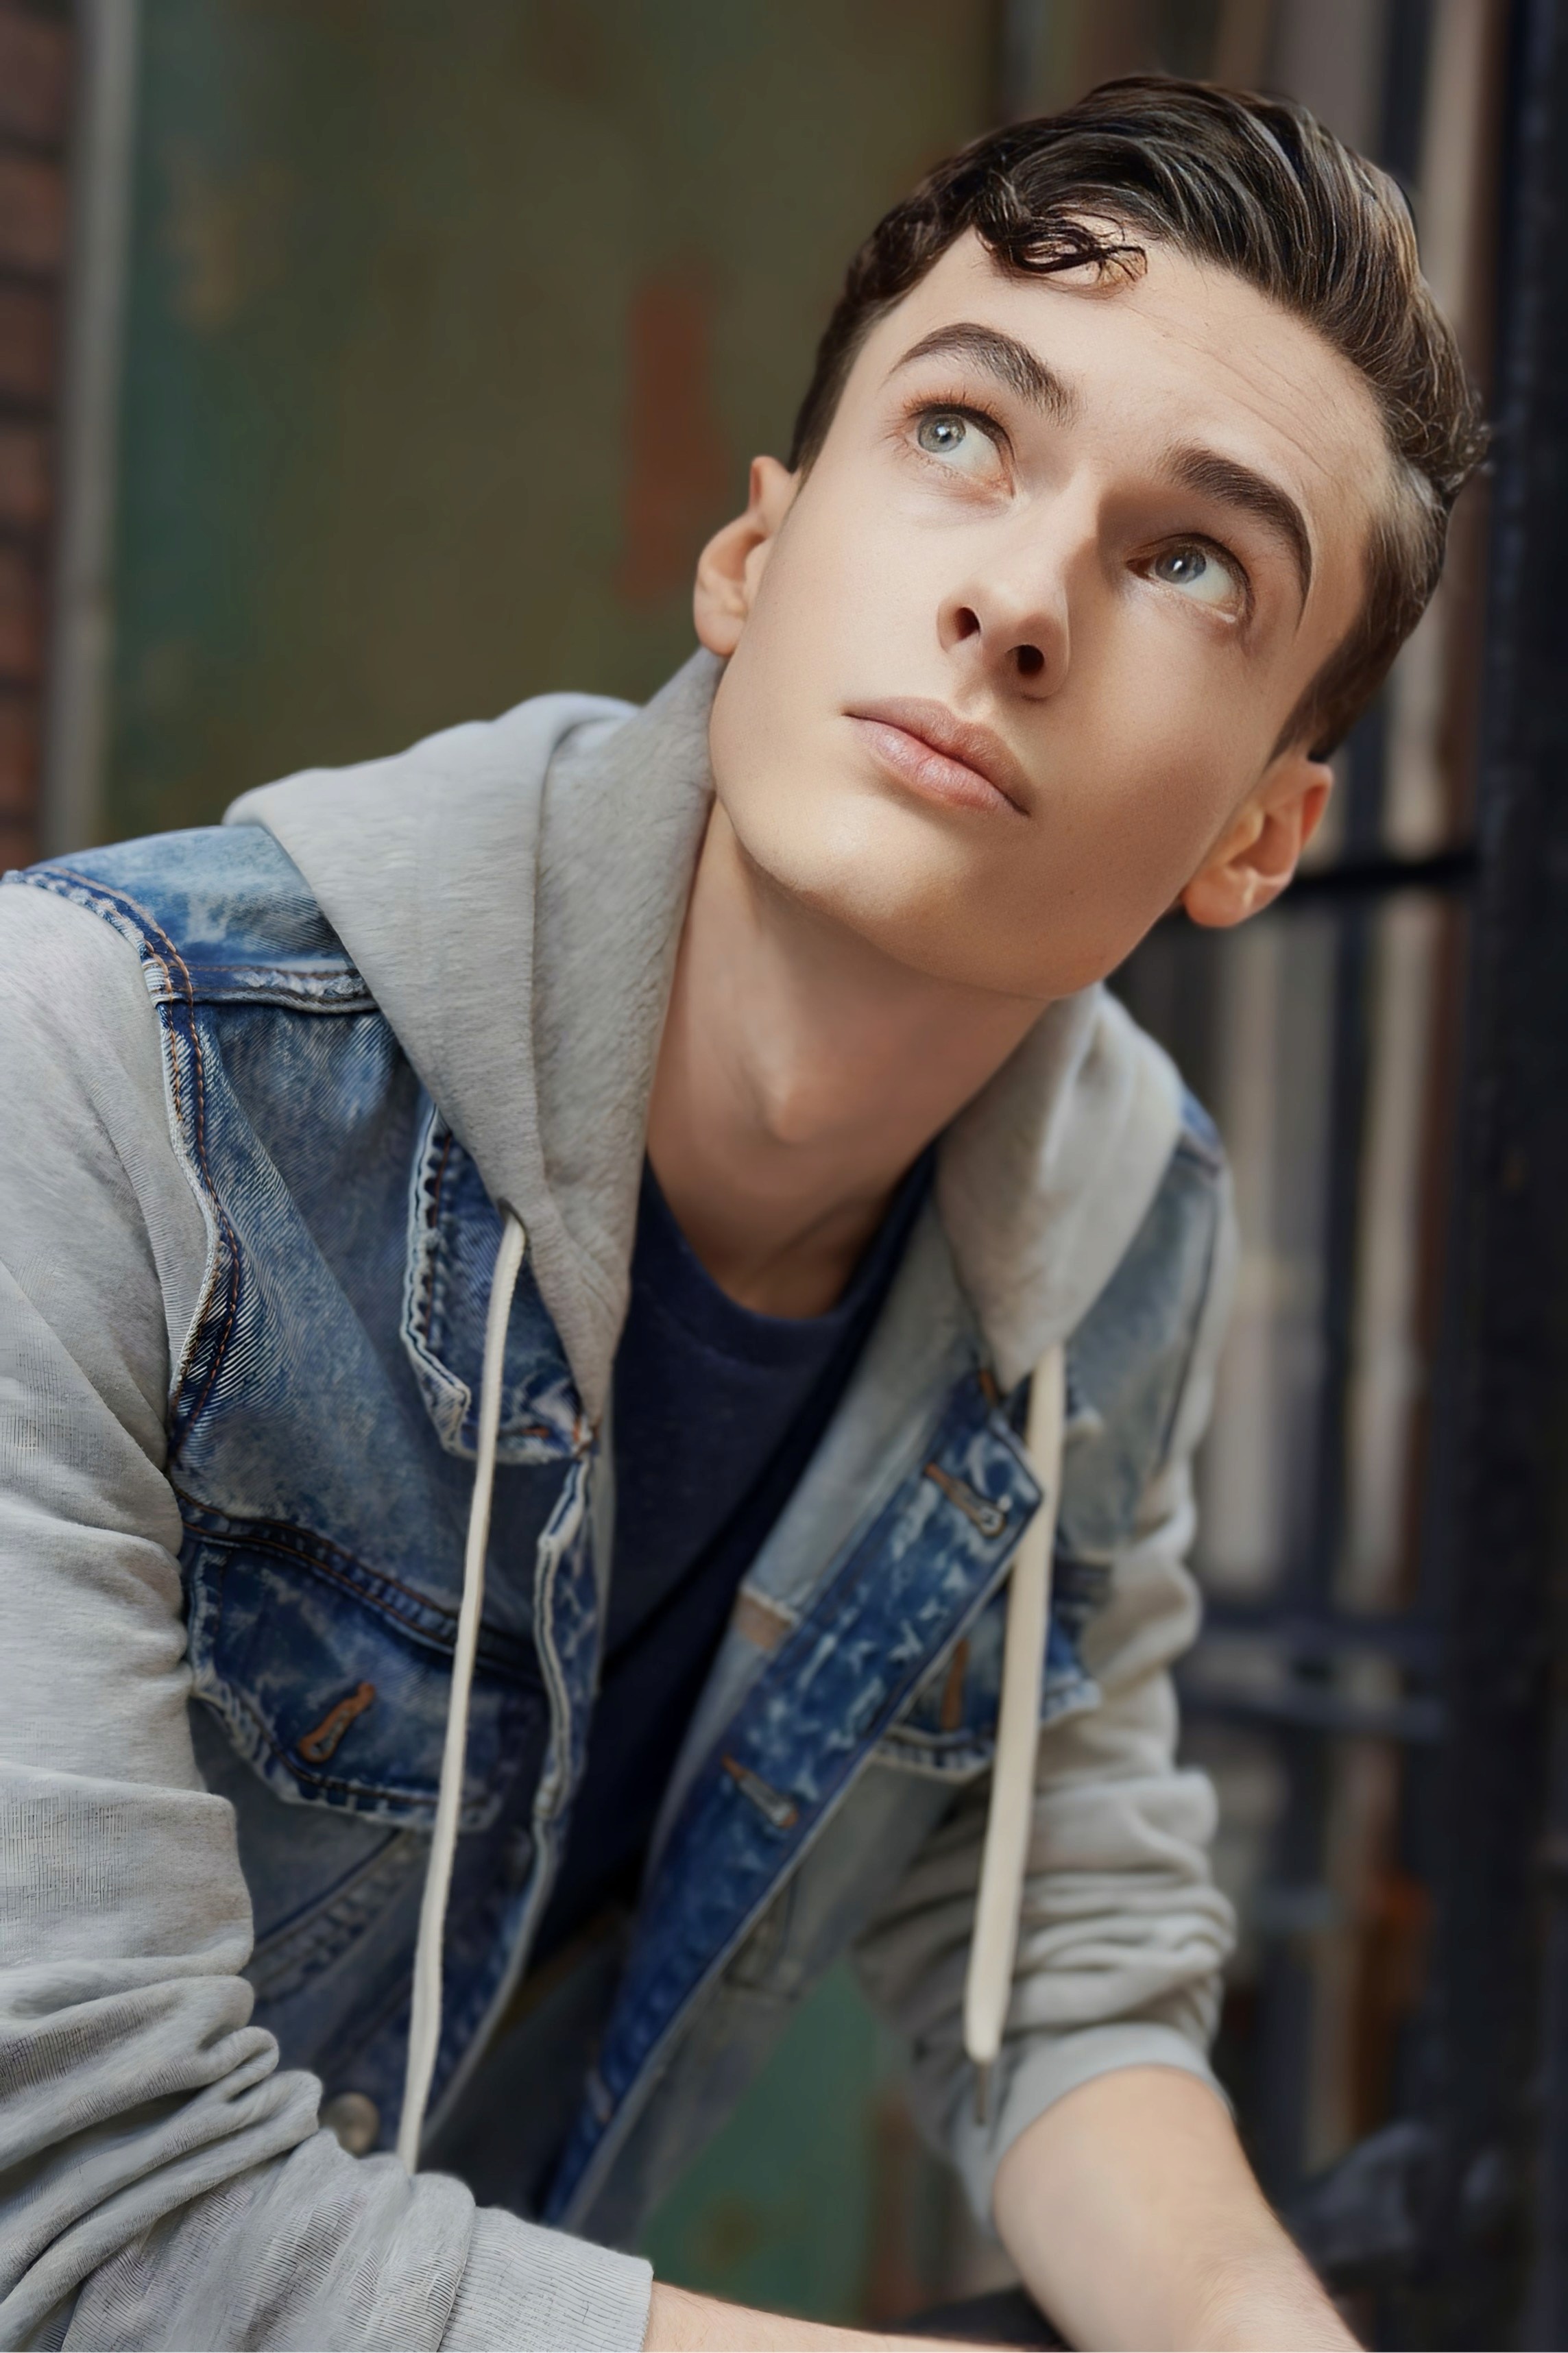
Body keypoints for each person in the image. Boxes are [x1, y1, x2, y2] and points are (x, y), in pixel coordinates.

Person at [0, 74, 1482, 2353]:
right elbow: (95, 2218)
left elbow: (1050, 1951)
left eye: (1194, 561)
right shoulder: (101, 1068)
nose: (1019, 599)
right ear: (754, 560)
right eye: (966, 432)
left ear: (1261, 838)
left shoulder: (1122, 1242)